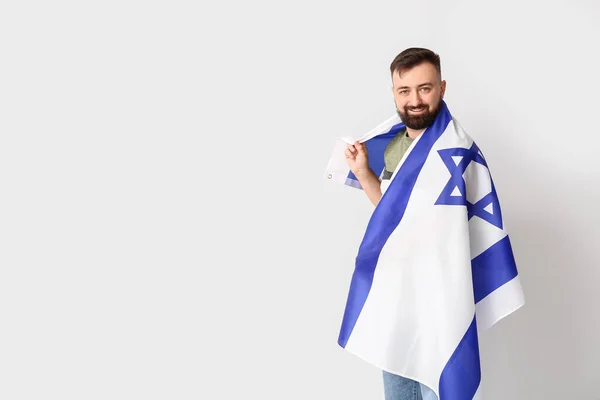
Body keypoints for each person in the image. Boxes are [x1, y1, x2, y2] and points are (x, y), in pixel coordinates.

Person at [344, 47, 446, 400]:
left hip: (436, 295)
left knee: (437, 389)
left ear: (442, 88)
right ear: (394, 94)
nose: (415, 100)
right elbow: (392, 212)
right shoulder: (395, 147)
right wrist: (362, 172)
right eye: (405, 91)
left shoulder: (454, 152)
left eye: (425, 88)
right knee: (399, 390)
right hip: (397, 291)